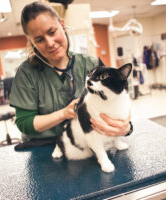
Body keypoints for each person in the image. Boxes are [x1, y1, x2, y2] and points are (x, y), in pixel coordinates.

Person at [9, 2, 131, 142]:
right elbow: (24, 123)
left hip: (87, 143)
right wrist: (62, 114)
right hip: (42, 148)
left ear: (62, 24)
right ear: (32, 42)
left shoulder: (90, 65)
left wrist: (125, 128)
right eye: (39, 39)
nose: (50, 43)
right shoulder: (26, 73)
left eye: (52, 32)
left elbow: (117, 98)